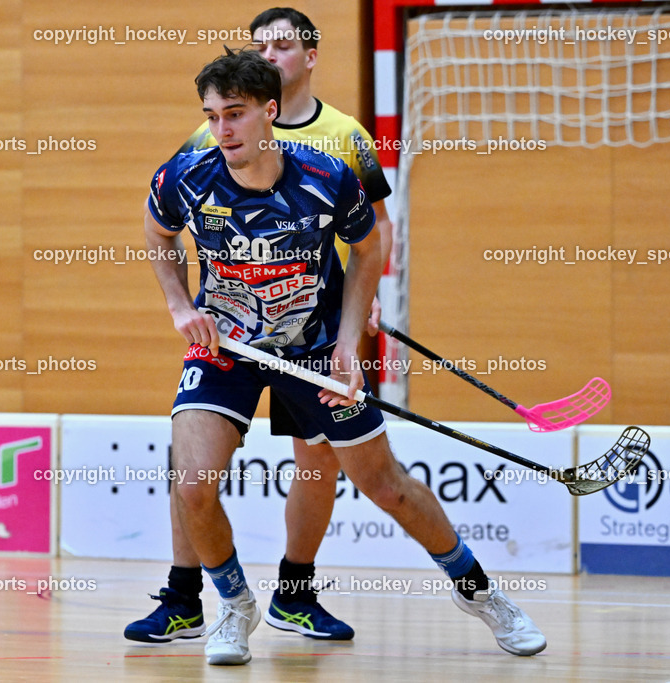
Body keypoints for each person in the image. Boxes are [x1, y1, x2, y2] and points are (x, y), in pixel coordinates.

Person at [142, 48, 547, 665]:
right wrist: (178, 305)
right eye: (212, 115)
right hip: (227, 346)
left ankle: (482, 595)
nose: (222, 130)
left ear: (269, 112)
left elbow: (367, 249)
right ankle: (235, 605)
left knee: (386, 486)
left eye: (236, 114)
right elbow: (157, 231)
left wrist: (349, 344)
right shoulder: (185, 176)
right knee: (193, 483)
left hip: (314, 346)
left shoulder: (327, 177)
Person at [125, 7, 393, 644]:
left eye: (282, 46)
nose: (270, 55)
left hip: (315, 329)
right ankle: (186, 595)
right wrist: (180, 301)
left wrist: (375, 296)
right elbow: (162, 213)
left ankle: (296, 595)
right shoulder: (214, 133)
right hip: (236, 331)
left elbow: (376, 231)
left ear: (309, 58)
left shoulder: (345, 134)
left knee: (317, 462)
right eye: (260, 47)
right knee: (190, 465)